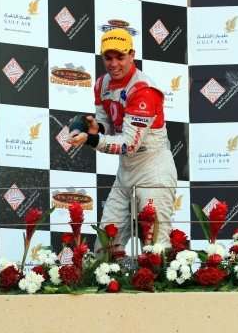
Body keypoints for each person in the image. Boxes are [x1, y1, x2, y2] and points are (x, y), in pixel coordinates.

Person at [67, 28, 177, 251]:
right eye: (108, 58)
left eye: (120, 57)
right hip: (125, 173)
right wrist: (91, 126)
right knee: (105, 247)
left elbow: (128, 144)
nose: (113, 64)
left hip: (152, 169)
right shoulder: (101, 84)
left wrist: (90, 139)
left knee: (155, 248)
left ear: (132, 54)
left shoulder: (144, 90)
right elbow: (107, 124)